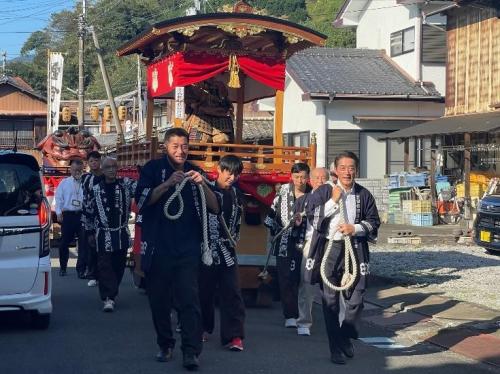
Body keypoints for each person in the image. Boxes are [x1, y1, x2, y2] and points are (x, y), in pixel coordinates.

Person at [135, 127, 219, 371]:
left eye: (184, 146)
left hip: (187, 249)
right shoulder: (152, 170)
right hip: (159, 248)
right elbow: (141, 202)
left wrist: (203, 184)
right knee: (159, 301)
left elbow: (214, 207)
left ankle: (191, 351)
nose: (181, 151)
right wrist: (166, 184)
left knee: (189, 300)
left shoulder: (196, 171)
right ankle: (165, 343)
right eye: (175, 146)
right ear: (165, 147)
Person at [304, 151, 380, 365]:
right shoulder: (324, 191)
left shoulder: (363, 194)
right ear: (335, 170)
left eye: (352, 167)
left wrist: (354, 227)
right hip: (330, 248)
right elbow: (312, 215)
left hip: (355, 248)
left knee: (357, 298)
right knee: (330, 302)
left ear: (356, 170)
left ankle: (345, 334)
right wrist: (333, 201)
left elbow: (374, 222)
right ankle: (335, 348)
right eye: (343, 167)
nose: (348, 171)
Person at [199, 155, 246, 351]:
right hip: (206, 250)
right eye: (228, 172)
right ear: (219, 169)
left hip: (227, 249)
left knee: (232, 292)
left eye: (235, 174)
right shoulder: (204, 188)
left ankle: (234, 336)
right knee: (204, 292)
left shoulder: (237, 194)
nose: (231, 177)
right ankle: (202, 327)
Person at [264, 162, 311, 328]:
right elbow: (270, 217)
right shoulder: (282, 194)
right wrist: (275, 230)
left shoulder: (313, 195)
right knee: (286, 279)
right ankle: (290, 314)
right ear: (291, 177)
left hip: (306, 242)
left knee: (303, 280)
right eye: (297, 177)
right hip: (284, 241)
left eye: (303, 177)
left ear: (308, 178)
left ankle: (303, 313)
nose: (300, 180)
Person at [86, 157, 136, 312]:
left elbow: (143, 188)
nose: (112, 170)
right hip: (103, 233)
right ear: (102, 168)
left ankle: (112, 292)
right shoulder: (94, 187)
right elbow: (87, 209)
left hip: (121, 232)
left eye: (114, 167)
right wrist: (89, 232)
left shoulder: (125, 184)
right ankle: (108, 297)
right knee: (104, 265)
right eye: (108, 167)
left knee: (119, 265)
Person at [293, 167, 329, 336]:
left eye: (324, 178)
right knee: (306, 282)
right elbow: (293, 221)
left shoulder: (337, 198)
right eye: (317, 178)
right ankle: (304, 321)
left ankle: (338, 320)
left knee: (333, 284)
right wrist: (296, 221)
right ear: (311, 180)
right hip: (310, 244)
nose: (321, 181)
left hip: (331, 242)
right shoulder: (304, 199)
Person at [55, 159, 84, 276]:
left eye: (79, 170)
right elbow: (58, 198)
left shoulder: (86, 182)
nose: (76, 172)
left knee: (83, 243)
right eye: (74, 170)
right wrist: (58, 212)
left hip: (82, 215)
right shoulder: (64, 182)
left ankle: (80, 269)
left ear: (82, 169)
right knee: (64, 243)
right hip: (68, 215)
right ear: (70, 170)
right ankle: (63, 267)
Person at [183, 78, 234, 144]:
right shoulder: (194, 84)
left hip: (220, 118)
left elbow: (225, 100)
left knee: (222, 140)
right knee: (196, 142)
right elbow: (190, 102)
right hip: (200, 117)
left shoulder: (220, 84)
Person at [80, 151, 103, 286]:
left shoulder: (106, 176)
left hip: (104, 214)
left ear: (100, 161)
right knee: (91, 245)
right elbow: (85, 197)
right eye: (91, 161)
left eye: (96, 160)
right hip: (89, 214)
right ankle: (93, 274)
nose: (94, 163)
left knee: (104, 247)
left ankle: (103, 274)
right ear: (88, 163)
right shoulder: (85, 178)